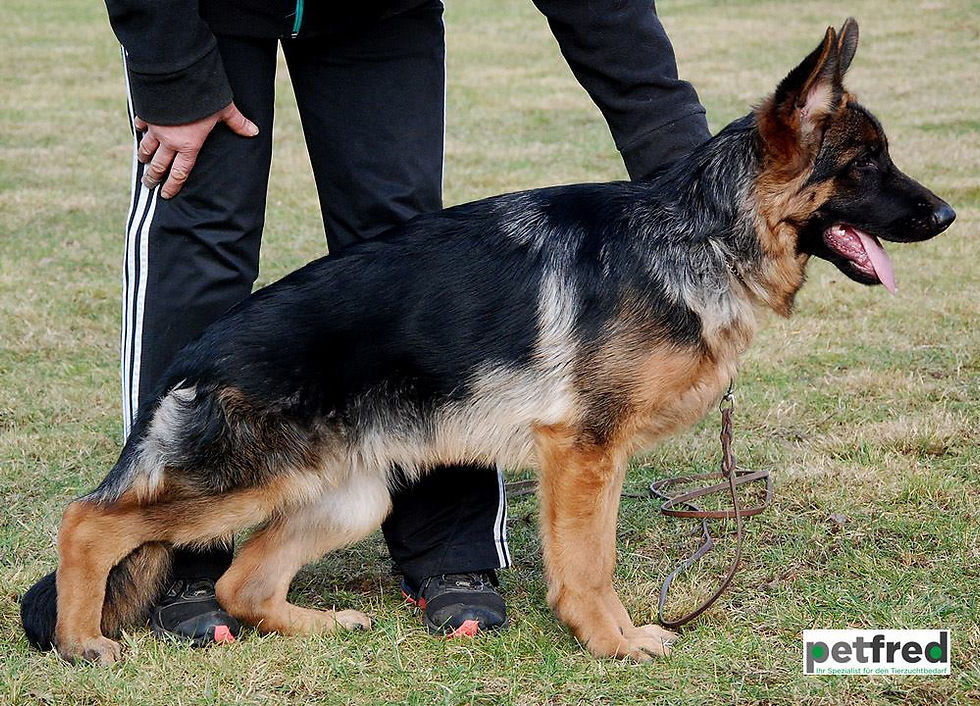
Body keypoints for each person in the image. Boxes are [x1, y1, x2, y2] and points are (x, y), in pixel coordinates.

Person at [104, 0, 710, 645]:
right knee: (203, 241)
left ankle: (445, 541)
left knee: (405, 241)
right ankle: (180, 559)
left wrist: (696, 177)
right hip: (207, 12)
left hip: (379, 14)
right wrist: (173, 73)